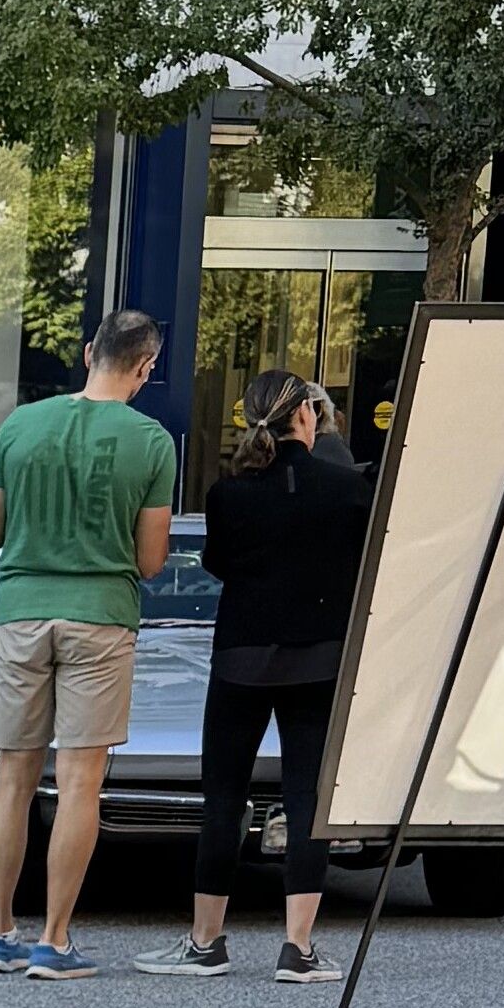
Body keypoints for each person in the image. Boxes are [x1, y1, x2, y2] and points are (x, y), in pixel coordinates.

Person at [0, 311, 178, 975]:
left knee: (12, 777)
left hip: (21, 613)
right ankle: (54, 941)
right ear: (145, 367)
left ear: (89, 353)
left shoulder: (19, 426)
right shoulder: (151, 442)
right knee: (80, 782)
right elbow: (150, 561)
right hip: (101, 616)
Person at [161, 367, 370, 974]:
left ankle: (206, 941)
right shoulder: (350, 490)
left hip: (241, 657)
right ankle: (298, 948)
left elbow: (220, 563)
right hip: (319, 658)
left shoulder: (228, 494)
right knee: (306, 800)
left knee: (223, 798)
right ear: (308, 415)